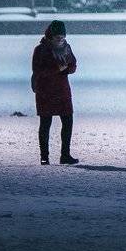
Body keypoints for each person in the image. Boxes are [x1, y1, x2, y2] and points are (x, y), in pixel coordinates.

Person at [32, 20, 79, 165]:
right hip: (45, 91)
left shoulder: (66, 48)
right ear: (51, 36)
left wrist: (67, 68)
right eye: (58, 38)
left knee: (68, 121)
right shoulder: (41, 50)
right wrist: (56, 69)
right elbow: (38, 71)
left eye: (63, 37)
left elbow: (73, 65)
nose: (61, 40)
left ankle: (65, 155)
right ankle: (44, 156)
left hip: (62, 90)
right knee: (45, 123)